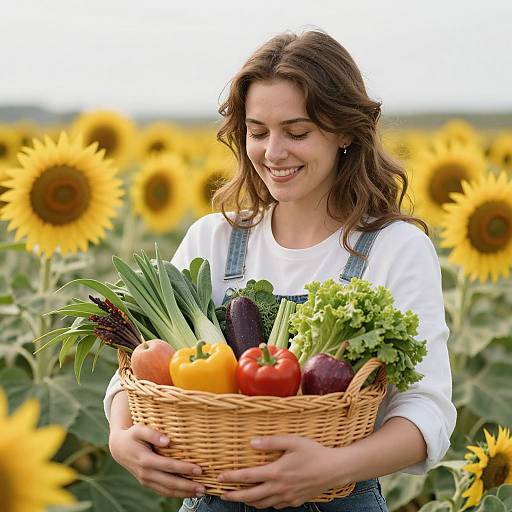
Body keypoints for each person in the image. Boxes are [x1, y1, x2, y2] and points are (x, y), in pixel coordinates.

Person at [104, 29, 456, 511]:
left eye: (297, 132)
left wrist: (330, 468)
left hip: (338, 498)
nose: (273, 153)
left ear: (346, 131)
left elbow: (427, 413)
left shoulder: (397, 248)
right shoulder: (214, 240)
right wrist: (120, 437)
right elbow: (141, 371)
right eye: (257, 131)